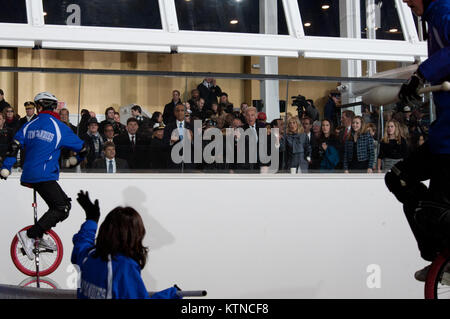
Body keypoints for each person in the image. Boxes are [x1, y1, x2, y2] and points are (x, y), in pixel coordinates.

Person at [385, 0, 450, 281]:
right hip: (442, 135)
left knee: (432, 212)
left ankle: (445, 256)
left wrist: (422, 74)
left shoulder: (445, 11)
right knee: (397, 178)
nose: (406, 2)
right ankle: (441, 257)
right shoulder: (434, 18)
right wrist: (416, 82)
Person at [0, 92, 88, 260]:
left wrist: (6, 168)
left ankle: (38, 235)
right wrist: (74, 161)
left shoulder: (29, 125)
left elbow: (13, 147)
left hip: (28, 175)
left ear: (39, 107)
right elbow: (84, 149)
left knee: (61, 205)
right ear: (54, 107)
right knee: (62, 208)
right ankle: (31, 235)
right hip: (44, 175)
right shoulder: (60, 126)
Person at [72, 190, 181, 299]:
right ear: (134, 236)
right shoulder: (123, 267)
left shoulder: (88, 256)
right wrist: (171, 295)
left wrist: (91, 219)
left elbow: (82, 242)